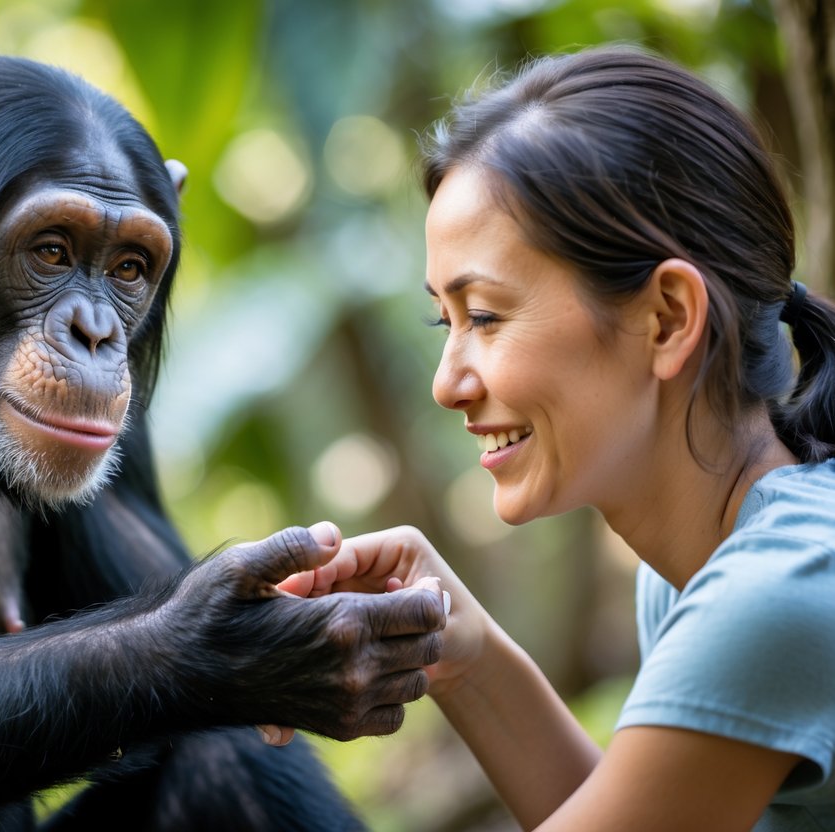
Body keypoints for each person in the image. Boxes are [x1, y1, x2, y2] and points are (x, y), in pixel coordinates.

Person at [281, 45, 835, 830]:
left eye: (484, 316)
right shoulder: (702, 565)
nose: (446, 383)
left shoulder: (775, 589)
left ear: (667, 318)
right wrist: (461, 652)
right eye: (445, 320)